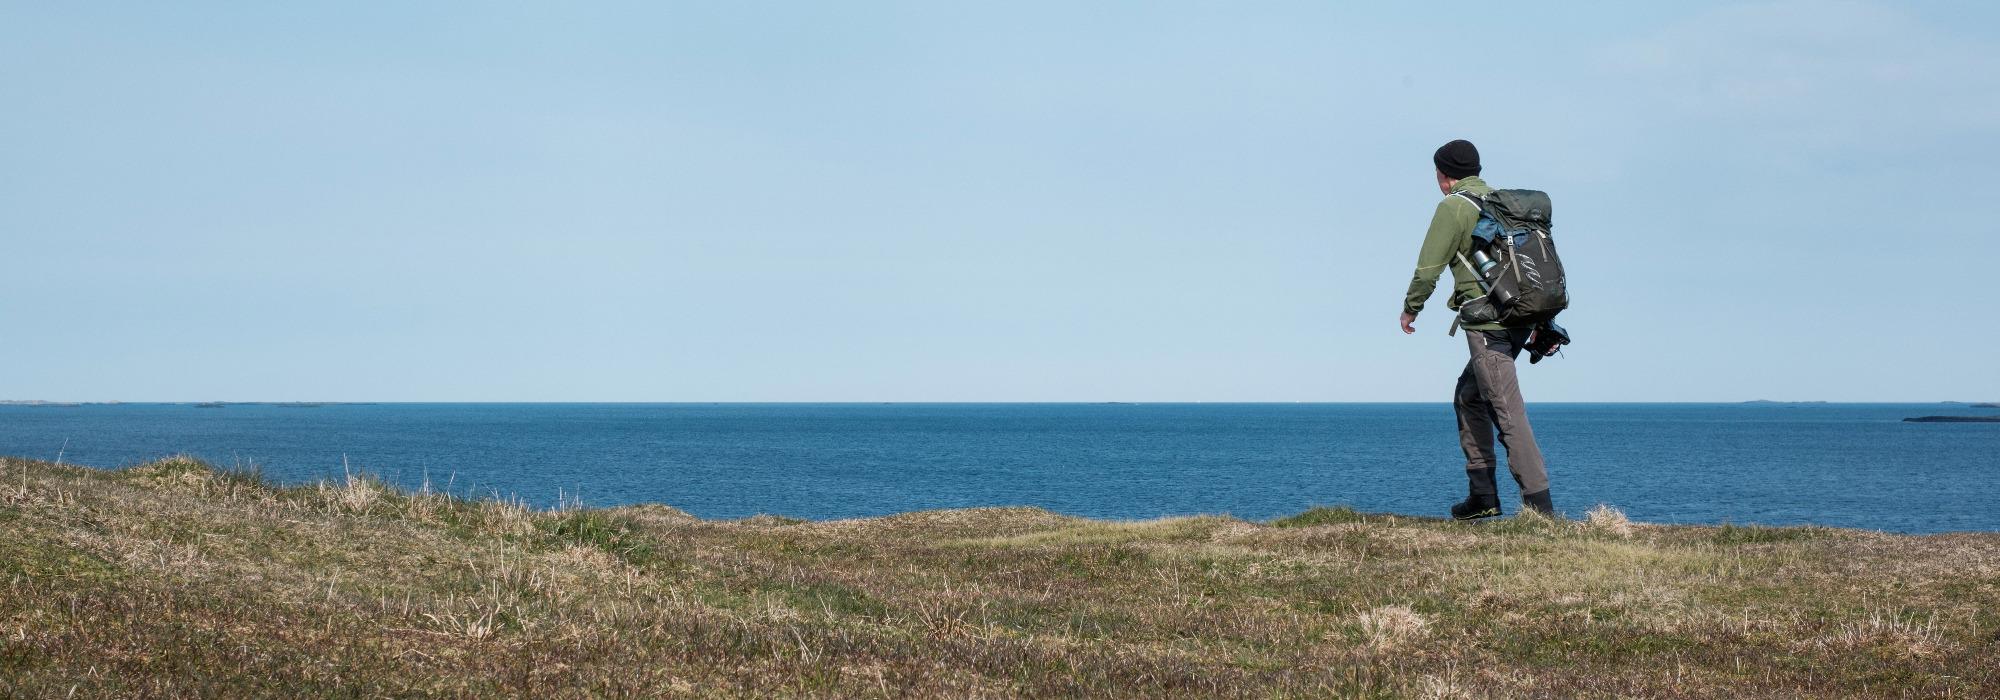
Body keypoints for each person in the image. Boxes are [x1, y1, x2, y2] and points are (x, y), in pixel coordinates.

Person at [1397, 139, 1555, 519]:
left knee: (1506, 411)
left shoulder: (1453, 207)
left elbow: (1428, 268)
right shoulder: (1502, 204)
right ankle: (1483, 496)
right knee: (1470, 396)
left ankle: (1542, 512)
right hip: (1519, 320)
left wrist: (1410, 309)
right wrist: (1543, 322)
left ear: (1443, 175)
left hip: (1488, 324)